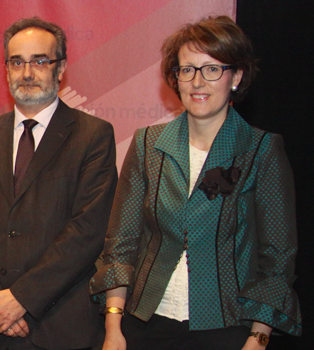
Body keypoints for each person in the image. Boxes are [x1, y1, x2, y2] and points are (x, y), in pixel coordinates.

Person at [90, 16, 301, 350]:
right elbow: (121, 242)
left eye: (212, 69)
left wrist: (258, 340)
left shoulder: (261, 150)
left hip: (228, 328)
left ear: (237, 76)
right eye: (187, 69)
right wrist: (113, 325)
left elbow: (276, 258)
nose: (197, 82)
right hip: (143, 324)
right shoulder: (148, 144)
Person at [0, 17, 117, 349]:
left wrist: (21, 299)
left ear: (61, 67)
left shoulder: (93, 136)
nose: (27, 73)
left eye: (40, 61)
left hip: (59, 327)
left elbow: (87, 231)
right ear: (6, 69)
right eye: (17, 62)